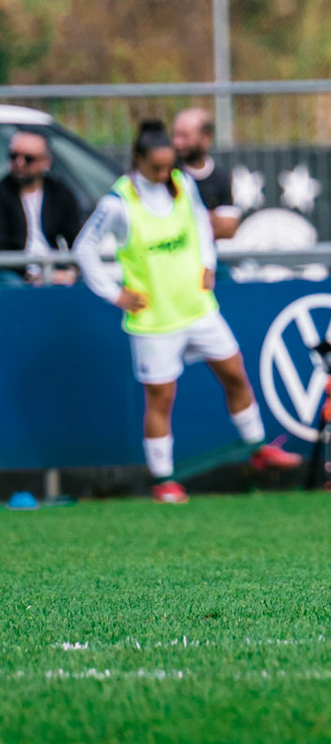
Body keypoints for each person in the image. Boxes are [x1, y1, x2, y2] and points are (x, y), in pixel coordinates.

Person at [72, 121, 299, 502]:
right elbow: (83, 249)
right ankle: (164, 480)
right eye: (156, 167)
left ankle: (257, 447)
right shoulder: (118, 202)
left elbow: (201, 227)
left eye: (168, 166)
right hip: (154, 320)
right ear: (138, 160)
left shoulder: (182, 184)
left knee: (234, 371)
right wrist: (114, 293)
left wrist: (207, 263)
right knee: (161, 399)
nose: (164, 174)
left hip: (197, 307)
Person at [1, 128, 85, 285]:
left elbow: (77, 237)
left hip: (53, 267)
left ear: (46, 162)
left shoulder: (59, 192)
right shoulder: (2, 192)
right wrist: (32, 277)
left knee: (86, 282)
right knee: (12, 284)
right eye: (14, 156)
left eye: (28, 159)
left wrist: (73, 270)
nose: (19, 163)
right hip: (14, 272)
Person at [171, 108, 241, 241]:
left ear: (206, 138)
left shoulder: (220, 178)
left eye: (185, 136)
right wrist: (210, 217)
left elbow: (228, 228)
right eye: (175, 135)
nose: (177, 143)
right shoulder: (167, 174)